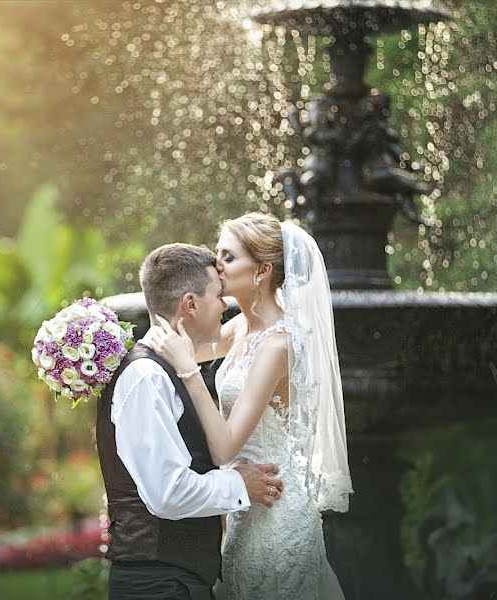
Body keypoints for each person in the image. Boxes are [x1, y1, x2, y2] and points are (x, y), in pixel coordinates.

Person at [149, 214, 353, 599]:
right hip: (245, 501)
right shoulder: (241, 327)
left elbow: (225, 446)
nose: (215, 266)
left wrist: (191, 373)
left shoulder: (279, 344)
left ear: (262, 270)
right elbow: (181, 345)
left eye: (227, 257)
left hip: (277, 507)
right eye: (216, 254)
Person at [96, 242, 286, 600]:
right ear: (190, 303)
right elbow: (167, 493)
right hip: (157, 586)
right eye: (218, 295)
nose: (225, 306)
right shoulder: (146, 377)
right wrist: (238, 484)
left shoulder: (164, 369)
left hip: (176, 582)